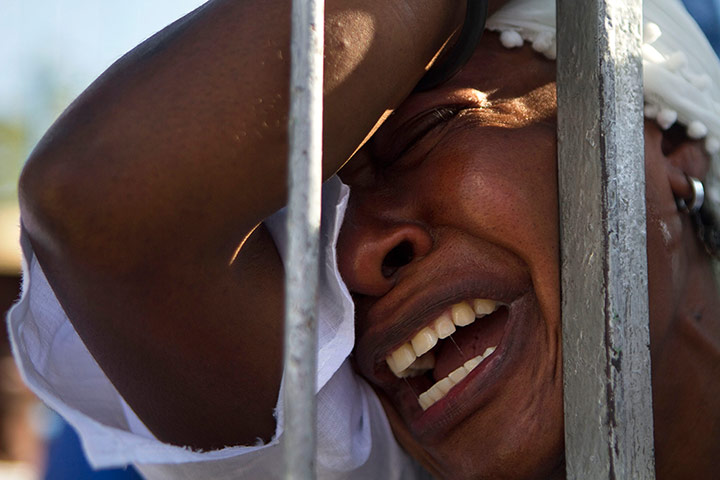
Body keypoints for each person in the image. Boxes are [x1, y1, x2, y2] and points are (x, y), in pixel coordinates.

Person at [8, 0, 720, 478]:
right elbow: (106, 206)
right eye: (318, 238)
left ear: (673, 147)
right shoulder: (357, 454)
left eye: (427, 132)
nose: (352, 258)